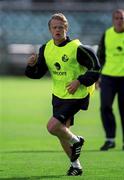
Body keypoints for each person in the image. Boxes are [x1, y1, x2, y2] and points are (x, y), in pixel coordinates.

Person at [25, 13, 100, 176]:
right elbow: (38, 74)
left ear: (66, 28)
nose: (58, 30)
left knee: (52, 127)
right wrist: (31, 66)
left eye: (61, 27)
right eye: (55, 27)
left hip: (76, 95)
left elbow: (96, 68)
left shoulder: (78, 48)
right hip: (58, 95)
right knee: (61, 132)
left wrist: (79, 81)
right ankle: (76, 166)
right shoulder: (46, 49)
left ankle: (77, 140)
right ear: (50, 30)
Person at [97, 9, 124, 151]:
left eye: (122, 18)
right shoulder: (107, 34)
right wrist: (97, 77)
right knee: (105, 107)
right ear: (113, 20)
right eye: (117, 18)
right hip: (108, 78)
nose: (120, 21)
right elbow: (100, 56)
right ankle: (110, 139)